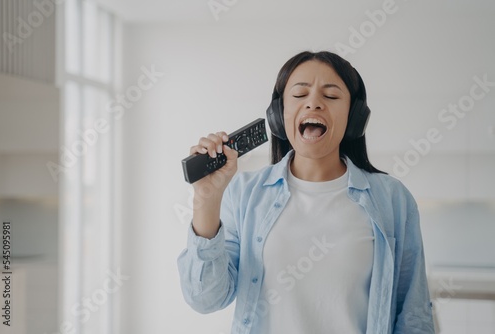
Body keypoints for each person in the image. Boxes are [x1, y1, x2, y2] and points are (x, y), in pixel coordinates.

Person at [177, 51, 435, 334]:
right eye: (299, 95)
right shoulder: (245, 194)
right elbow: (205, 298)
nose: (314, 103)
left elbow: (414, 315)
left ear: (354, 117)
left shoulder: (393, 199)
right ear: (278, 115)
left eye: (331, 96)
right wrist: (207, 199)